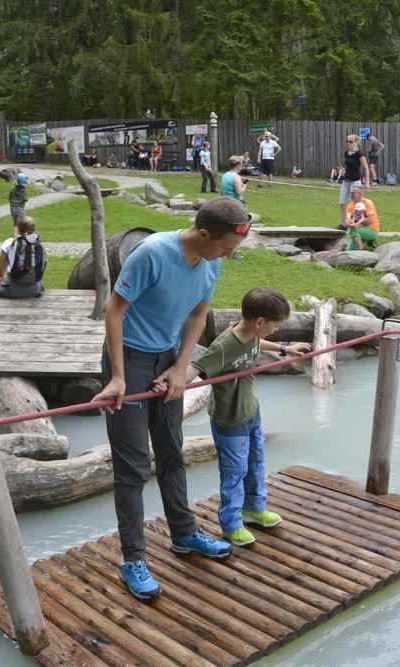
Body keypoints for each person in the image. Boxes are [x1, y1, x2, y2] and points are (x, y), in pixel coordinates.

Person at [90, 197, 253, 601]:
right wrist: (119, 378)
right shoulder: (152, 255)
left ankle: (183, 533)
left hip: (167, 357)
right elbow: (114, 311)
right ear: (202, 234)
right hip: (127, 356)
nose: (230, 256)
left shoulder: (211, 260)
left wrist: (181, 366)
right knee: (131, 466)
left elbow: (198, 315)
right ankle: (132, 559)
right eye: (226, 247)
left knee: (171, 451)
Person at [186, 288, 310, 545]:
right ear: (260, 321)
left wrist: (285, 349)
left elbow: (256, 343)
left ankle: (254, 508)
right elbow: (195, 369)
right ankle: (231, 523)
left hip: (251, 411)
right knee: (234, 472)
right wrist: (170, 386)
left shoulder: (250, 332)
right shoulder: (223, 346)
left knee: (256, 463)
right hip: (230, 419)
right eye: (275, 326)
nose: (276, 330)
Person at [0, 216, 46, 299]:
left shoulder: (9, 242)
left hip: (12, 287)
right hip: (34, 288)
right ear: (33, 229)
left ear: (18, 229)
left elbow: (0, 271)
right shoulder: (38, 243)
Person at [339, 134, 370, 226]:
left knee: (356, 204)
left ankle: (357, 223)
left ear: (356, 142)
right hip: (346, 181)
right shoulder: (346, 153)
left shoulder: (359, 154)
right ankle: (344, 222)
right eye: (347, 141)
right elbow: (347, 165)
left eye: (350, 141)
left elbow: (366, 168)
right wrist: (344, 171)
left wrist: (367, 182)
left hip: (355, 182)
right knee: (342, 202)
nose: (348, 143)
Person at [340, 184, 380, 250]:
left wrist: (357, 224)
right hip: (357, 230)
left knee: (352, 231)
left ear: (361, 194)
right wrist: (349, 224)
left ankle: (362, 249)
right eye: (351, 193)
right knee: (349, 250)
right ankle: (369, 244)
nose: (351, 195)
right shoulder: (350, 205)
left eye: (354, 193)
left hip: (372, 230)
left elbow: (370, 221)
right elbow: (347, 220)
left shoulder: (368, 203)